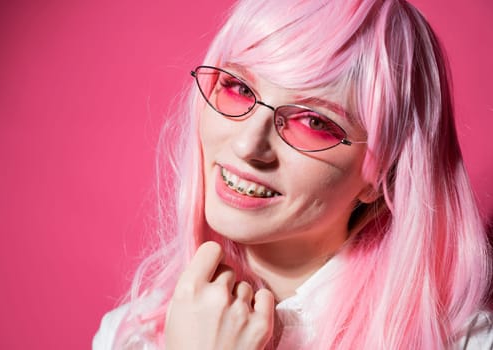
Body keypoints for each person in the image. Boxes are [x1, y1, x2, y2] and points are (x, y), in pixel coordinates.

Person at [93, 0, 493, 348]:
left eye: (314, 123)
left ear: (381, 174)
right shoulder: (130, 336)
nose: (248, 146)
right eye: (239, 88)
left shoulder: (464, 341)